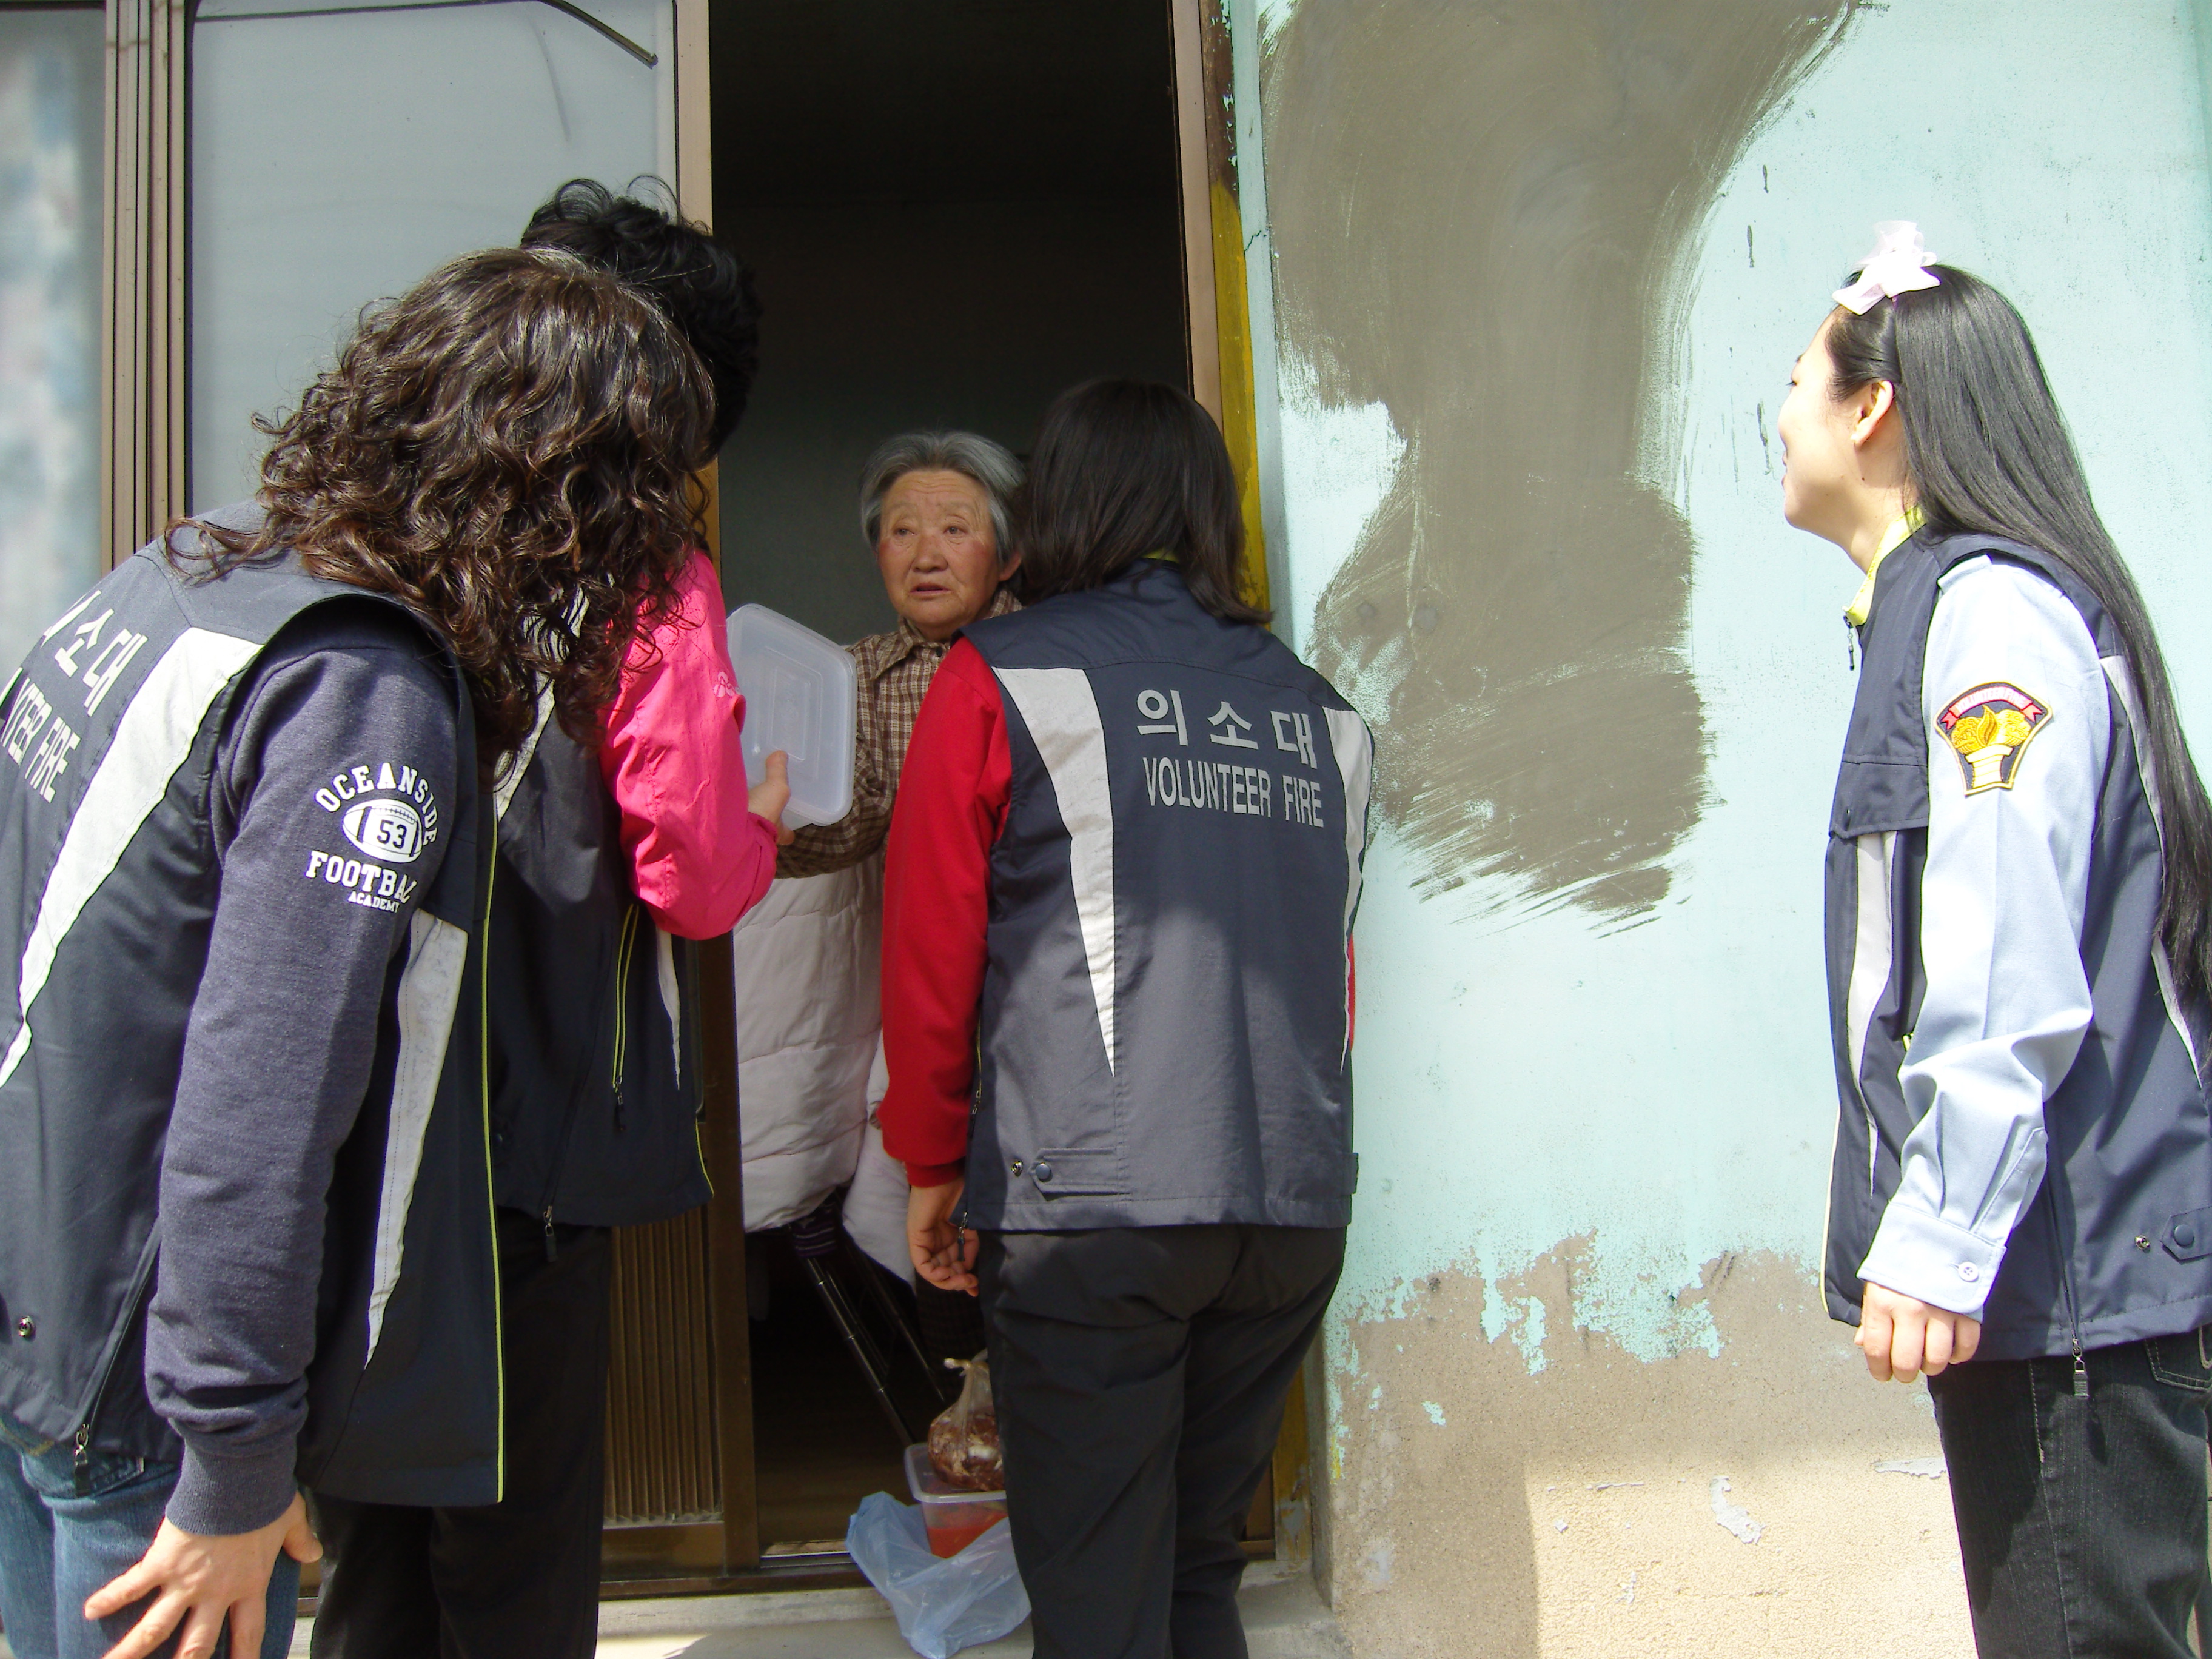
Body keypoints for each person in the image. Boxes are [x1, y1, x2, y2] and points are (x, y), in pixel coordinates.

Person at [0, 247, 712, 1659]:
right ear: (567, 497)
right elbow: (259, 1109)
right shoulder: (359, 686)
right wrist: (232, 1453)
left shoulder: (190, 574)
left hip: (40, 1305)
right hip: (142, 1403)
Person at [302, 180, 789, 1659]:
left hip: (349, 1102)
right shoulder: (647, 578)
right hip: (533, 1134)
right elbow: (693, 872)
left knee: (372, 1529)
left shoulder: (362, 531)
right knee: (517, 1542)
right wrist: (760, 822)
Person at [879, 380, 1373, 1659]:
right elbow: (1332, 966)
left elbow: (932, 952)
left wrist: (930, 1159)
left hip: (1092, 1212)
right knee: (1199, 1571)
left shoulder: (1000, 677)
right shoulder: (1324, 713)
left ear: (1058, 509)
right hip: (1288, 1207)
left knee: (1099, 1595)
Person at [1788, 223, 2212, 1655]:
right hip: (2067, 1287)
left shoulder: (1992, 621)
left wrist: (1942, 1232)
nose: (1779, 421)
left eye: (1794, 385)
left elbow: (2002, 955)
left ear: (1872, 408)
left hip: (2080, 1286)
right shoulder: (1943, 612)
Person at [733, 431, 1021, 1365]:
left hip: (1037, 990)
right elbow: (843, 828)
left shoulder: (1048, 664)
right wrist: (756, 831)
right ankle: (969, 1407)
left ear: (1010, 552)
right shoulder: (848, 678)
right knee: (938, 1244)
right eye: (902, 531)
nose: (926, 553)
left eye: (955, 528)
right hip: (936, 997)